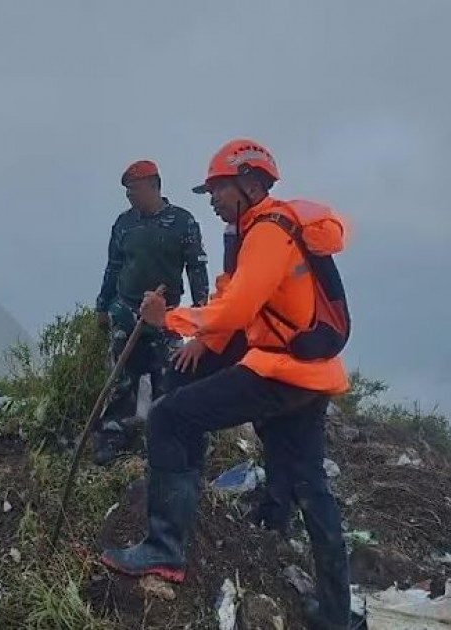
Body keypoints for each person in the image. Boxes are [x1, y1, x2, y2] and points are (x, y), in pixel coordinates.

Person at [100, 140, 353, 630]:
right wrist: (205, 341)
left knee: (170, 417)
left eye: (218, 188)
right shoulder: (260, 229)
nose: (212, 198)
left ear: (250, 184)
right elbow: (234, 297)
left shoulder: (267, 232)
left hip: (279, 371)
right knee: (310, 485)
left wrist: (168, 319)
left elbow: (237, 309)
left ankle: (164, 549)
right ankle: (335, 612)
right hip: (310, 372)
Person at [92, 159, 209, 466]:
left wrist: (202, 316)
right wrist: (103, 305)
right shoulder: (124, 223)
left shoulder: (182, 222)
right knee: (122, 379)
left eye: (134, 189)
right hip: (125, 311)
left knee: (168, 378)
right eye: (127, 190)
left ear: (153, 186)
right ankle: (114, 435)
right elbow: (113, 266)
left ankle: (163, 439)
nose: (129, 195)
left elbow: (196, 269)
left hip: (166, 316)